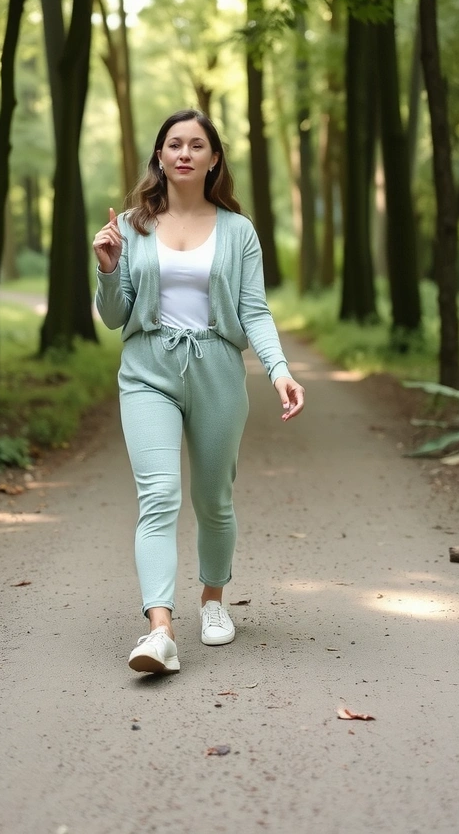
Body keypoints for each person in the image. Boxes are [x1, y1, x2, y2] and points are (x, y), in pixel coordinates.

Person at [92, 108, 305, 675]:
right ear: (159, 157)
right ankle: (160, 630)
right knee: (159, 496)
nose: (184, 153)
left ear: (213, 159)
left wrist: (279, 369)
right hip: (147, 371)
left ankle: (213, 601)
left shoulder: (239, 231)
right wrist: (109, 269)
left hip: (216, 369)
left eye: (196, 145)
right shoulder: (134, 226)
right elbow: (115, 317)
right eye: (173, 144)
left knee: (213, 499)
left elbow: (254, 309)